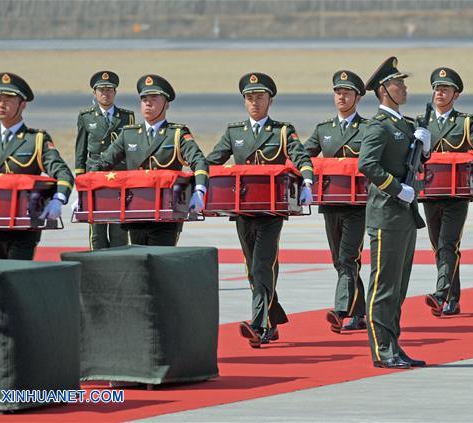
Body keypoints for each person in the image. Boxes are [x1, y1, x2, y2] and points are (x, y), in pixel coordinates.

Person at [207, 72, 315, 348]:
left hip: (271, 211)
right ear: (244, 101)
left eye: (260, 97)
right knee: (252, 268)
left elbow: (301, 156)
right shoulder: (235, 133)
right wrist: (196, 179)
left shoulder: (282, 131)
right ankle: (272, 319)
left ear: (270, 101)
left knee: (262, 265)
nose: (254, 102)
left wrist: (307, 181)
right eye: (250, 98)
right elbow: (212, 161)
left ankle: (258, 324)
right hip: (242, 210)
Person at [0, 72, 74, 260]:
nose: (1, 104)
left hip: (24, 227)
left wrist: (58, 200)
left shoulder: (36, 140)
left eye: (9, 99)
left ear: (22, 104)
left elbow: (63, 173)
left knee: (17, 274)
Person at [358, 56, 429, 369]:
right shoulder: (379, 126)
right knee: (384, 285)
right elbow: (367, 165)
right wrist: (396, 189)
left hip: (405, 215)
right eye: (398, 83)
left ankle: (394, 346)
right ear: (384, 90)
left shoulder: (405, 124)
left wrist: (425, 149)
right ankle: (382, 349)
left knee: (399, 287)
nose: (404, 88)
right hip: (386, 214)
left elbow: (410, 163)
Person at [90, 74, 209, 246]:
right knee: (139, 259)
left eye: (154, 99)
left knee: (160, 260)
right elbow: (103, 162)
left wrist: (199, 191)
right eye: (144, 99)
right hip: (136, 212)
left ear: (166, 104)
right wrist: (86, 189)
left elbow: (199, 161)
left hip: (167, 214)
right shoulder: (129, 134)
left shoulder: (176, 134)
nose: (148, 103)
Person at [302, 70, 369, 333]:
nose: (341, 97)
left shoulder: (367, 128)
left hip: (357, 205)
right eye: (338, 92)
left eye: (347, 93)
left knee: (348, 257)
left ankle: (341, 310)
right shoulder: (324, 129)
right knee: (340, 261)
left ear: (357, 98)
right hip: (330, 203)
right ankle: (360, 313)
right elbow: (303, 156)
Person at [419, 66, 473, 317]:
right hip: (430, 192)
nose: (440, 93)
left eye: (445, 89)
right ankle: (452, 298)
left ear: (455, 95)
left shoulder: (465, 122)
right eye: (437, 88)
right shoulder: (422, 122)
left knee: (448, 244)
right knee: (439, 247)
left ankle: (441, 294)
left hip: (457, 194)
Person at [75, 70, 135, 250]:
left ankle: (119, 260)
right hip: (94, 177)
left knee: (119, 228)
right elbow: (80, 151)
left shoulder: (126, 117)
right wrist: (80, 181)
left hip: (119, 176)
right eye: (101, 90)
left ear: (115, 92)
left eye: (109, 90)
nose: (105, 93)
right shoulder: (86, 117)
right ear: (94, 93)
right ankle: (97, 261)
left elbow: (131, 148)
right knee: (97, 228)